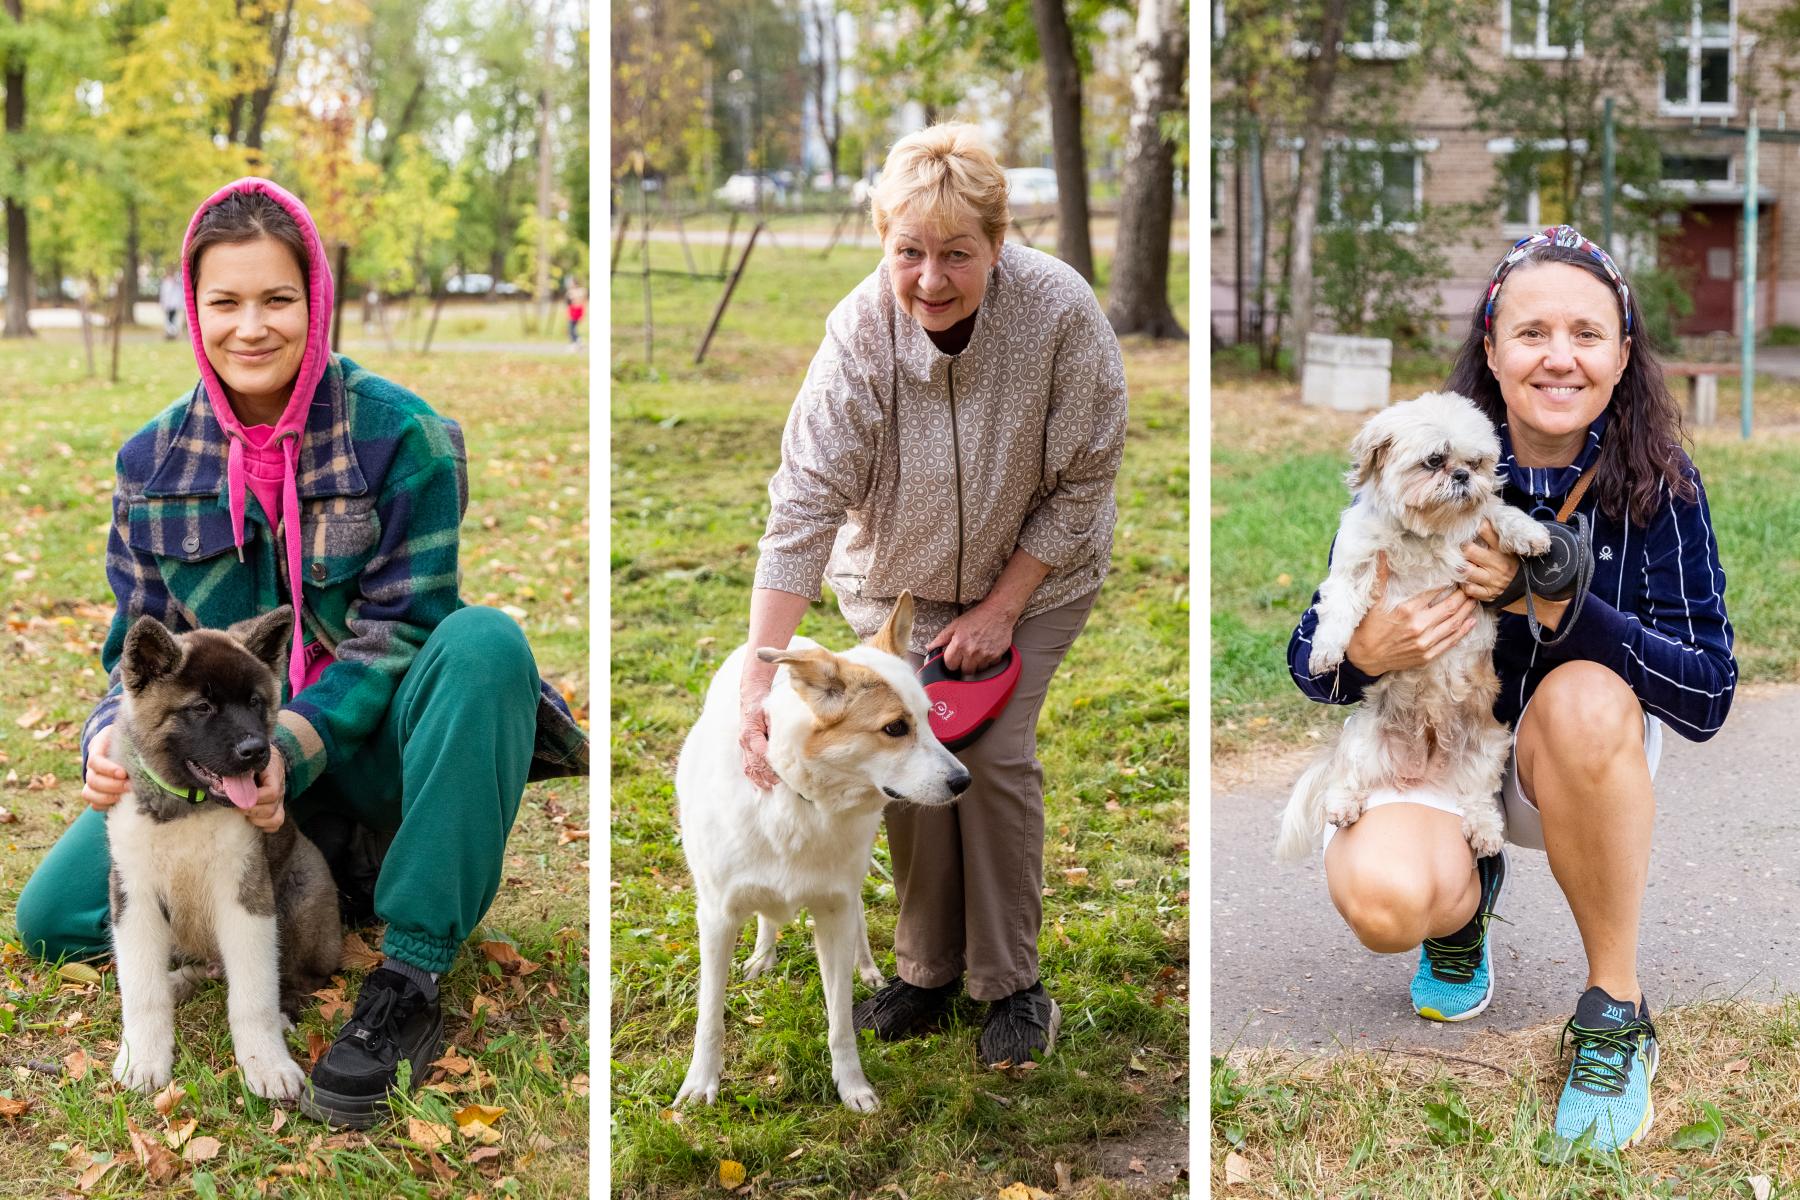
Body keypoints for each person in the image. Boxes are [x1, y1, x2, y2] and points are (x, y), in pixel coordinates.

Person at [12, 178, 587, 1126]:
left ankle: (408, 965)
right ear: (191, 312)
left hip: (359, 746)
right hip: (215, 767)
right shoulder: (150, 463)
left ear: (316, 301)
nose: (251, 327)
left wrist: (295, 748)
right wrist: (103, 742)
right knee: (51, 920)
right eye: (224, 302)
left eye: (277, 299)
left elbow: (404, 629)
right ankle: (300, 889)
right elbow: (136, 648)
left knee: (486, 644)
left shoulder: (402, 435)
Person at [1287, 225, 1735, 1150]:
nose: (1560, 357)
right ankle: (1463, 904)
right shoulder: (1417, 455)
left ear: (1622, 352)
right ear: (1490, 349)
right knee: (1382, 899)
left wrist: (1566, 613)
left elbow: (1710, 693)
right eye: (1532, 333)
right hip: (1442, 749)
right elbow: (1311, 660)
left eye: (1587, 333)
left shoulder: (1659, 484)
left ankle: (1615, 1008)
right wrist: (1370, 648)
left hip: (1572, 761)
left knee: (1579, 694)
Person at [740, 124, 1128, 1066]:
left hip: (1039, 576)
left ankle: (1011, 983)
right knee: (903, 750)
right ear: (883, 244)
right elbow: (803, 507)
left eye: (958, 254)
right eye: (908, 251)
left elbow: (1085, 479)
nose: (931, 278)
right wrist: (761, 680)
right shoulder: (858, 334)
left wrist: (1000, 610)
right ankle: (924, 971)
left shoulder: (1059, 313)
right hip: (896, 590)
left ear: (1001, 244)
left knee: (987, 758)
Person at [158, 269, 182, 339]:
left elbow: (177, 295)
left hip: (173, 305)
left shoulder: (175, 284)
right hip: (168, 305)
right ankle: (170, 333)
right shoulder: (166, 283)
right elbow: (164, 295)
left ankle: (172, 333)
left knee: (172, 319)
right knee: (169, 320)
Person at [566, 279, 586, 347]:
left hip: (576, 310)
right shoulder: (581, 291)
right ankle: (576, 341)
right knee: (572, 327)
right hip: (574, 309)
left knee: (571, 327)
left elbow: (573, 300)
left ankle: (577, 341)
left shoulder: (575, 291)